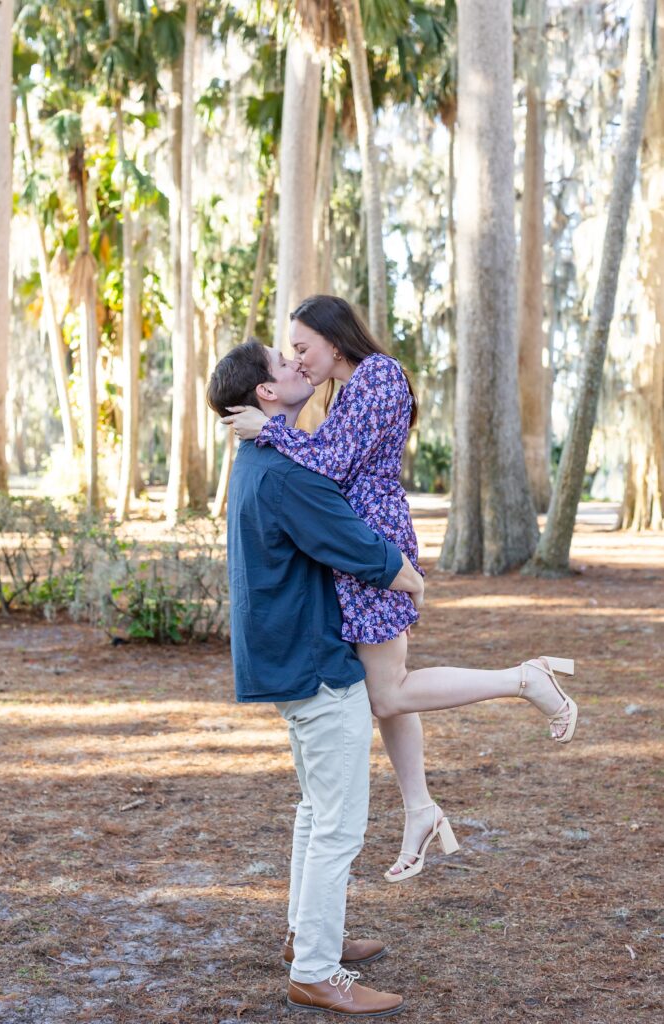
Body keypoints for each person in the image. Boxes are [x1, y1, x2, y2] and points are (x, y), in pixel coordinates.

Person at [222, 295, 578, 883]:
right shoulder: (350, 388)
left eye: (303, 348)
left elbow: (331, 464)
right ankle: (419, 808)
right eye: (291, 354)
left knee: (389, 693)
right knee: (387, 690)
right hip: (353, 548)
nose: (298, 360)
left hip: (374, 548)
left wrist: (270, 431)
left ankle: (524, 679)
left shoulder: (378, 375)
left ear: (335, 340)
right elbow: (329, 464)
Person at [207, 338, 421, 1017]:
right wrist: (405, 573)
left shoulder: (260, 459)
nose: (297, 366)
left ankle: (305, 936)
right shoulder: (282, 469)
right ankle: (316, 973)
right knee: (338, 826)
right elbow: (349, 542)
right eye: (283, 364)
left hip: (289, 660)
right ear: (265, 395)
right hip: (315, 662)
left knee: (314, 811)